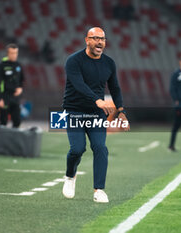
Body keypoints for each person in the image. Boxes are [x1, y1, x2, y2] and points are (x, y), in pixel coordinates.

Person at [62, 27, 130, 203]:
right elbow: (78, 84)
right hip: (74, 110)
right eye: (95, 38)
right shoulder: (73, 61)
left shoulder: (109, 63)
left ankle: (99, 190)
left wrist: (121, 111)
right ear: (87, 40)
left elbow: (115, 88)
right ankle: (70, 176)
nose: (100, 42)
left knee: (100, 148)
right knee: (77, 149)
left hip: (95, 114)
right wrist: (97, 100)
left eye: (103, 39)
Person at [0, 43, 24, 128]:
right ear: (7, 54)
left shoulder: (18, 65)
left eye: (16, 53)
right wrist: (0, 99)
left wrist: (20, 88)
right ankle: (2, 140)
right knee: (3, 122)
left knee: (17, 121)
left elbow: (21, 80)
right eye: (12, 53)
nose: (14, 55)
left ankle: (14, 140)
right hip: (5, 97)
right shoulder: (1, 66)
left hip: (15, 97)